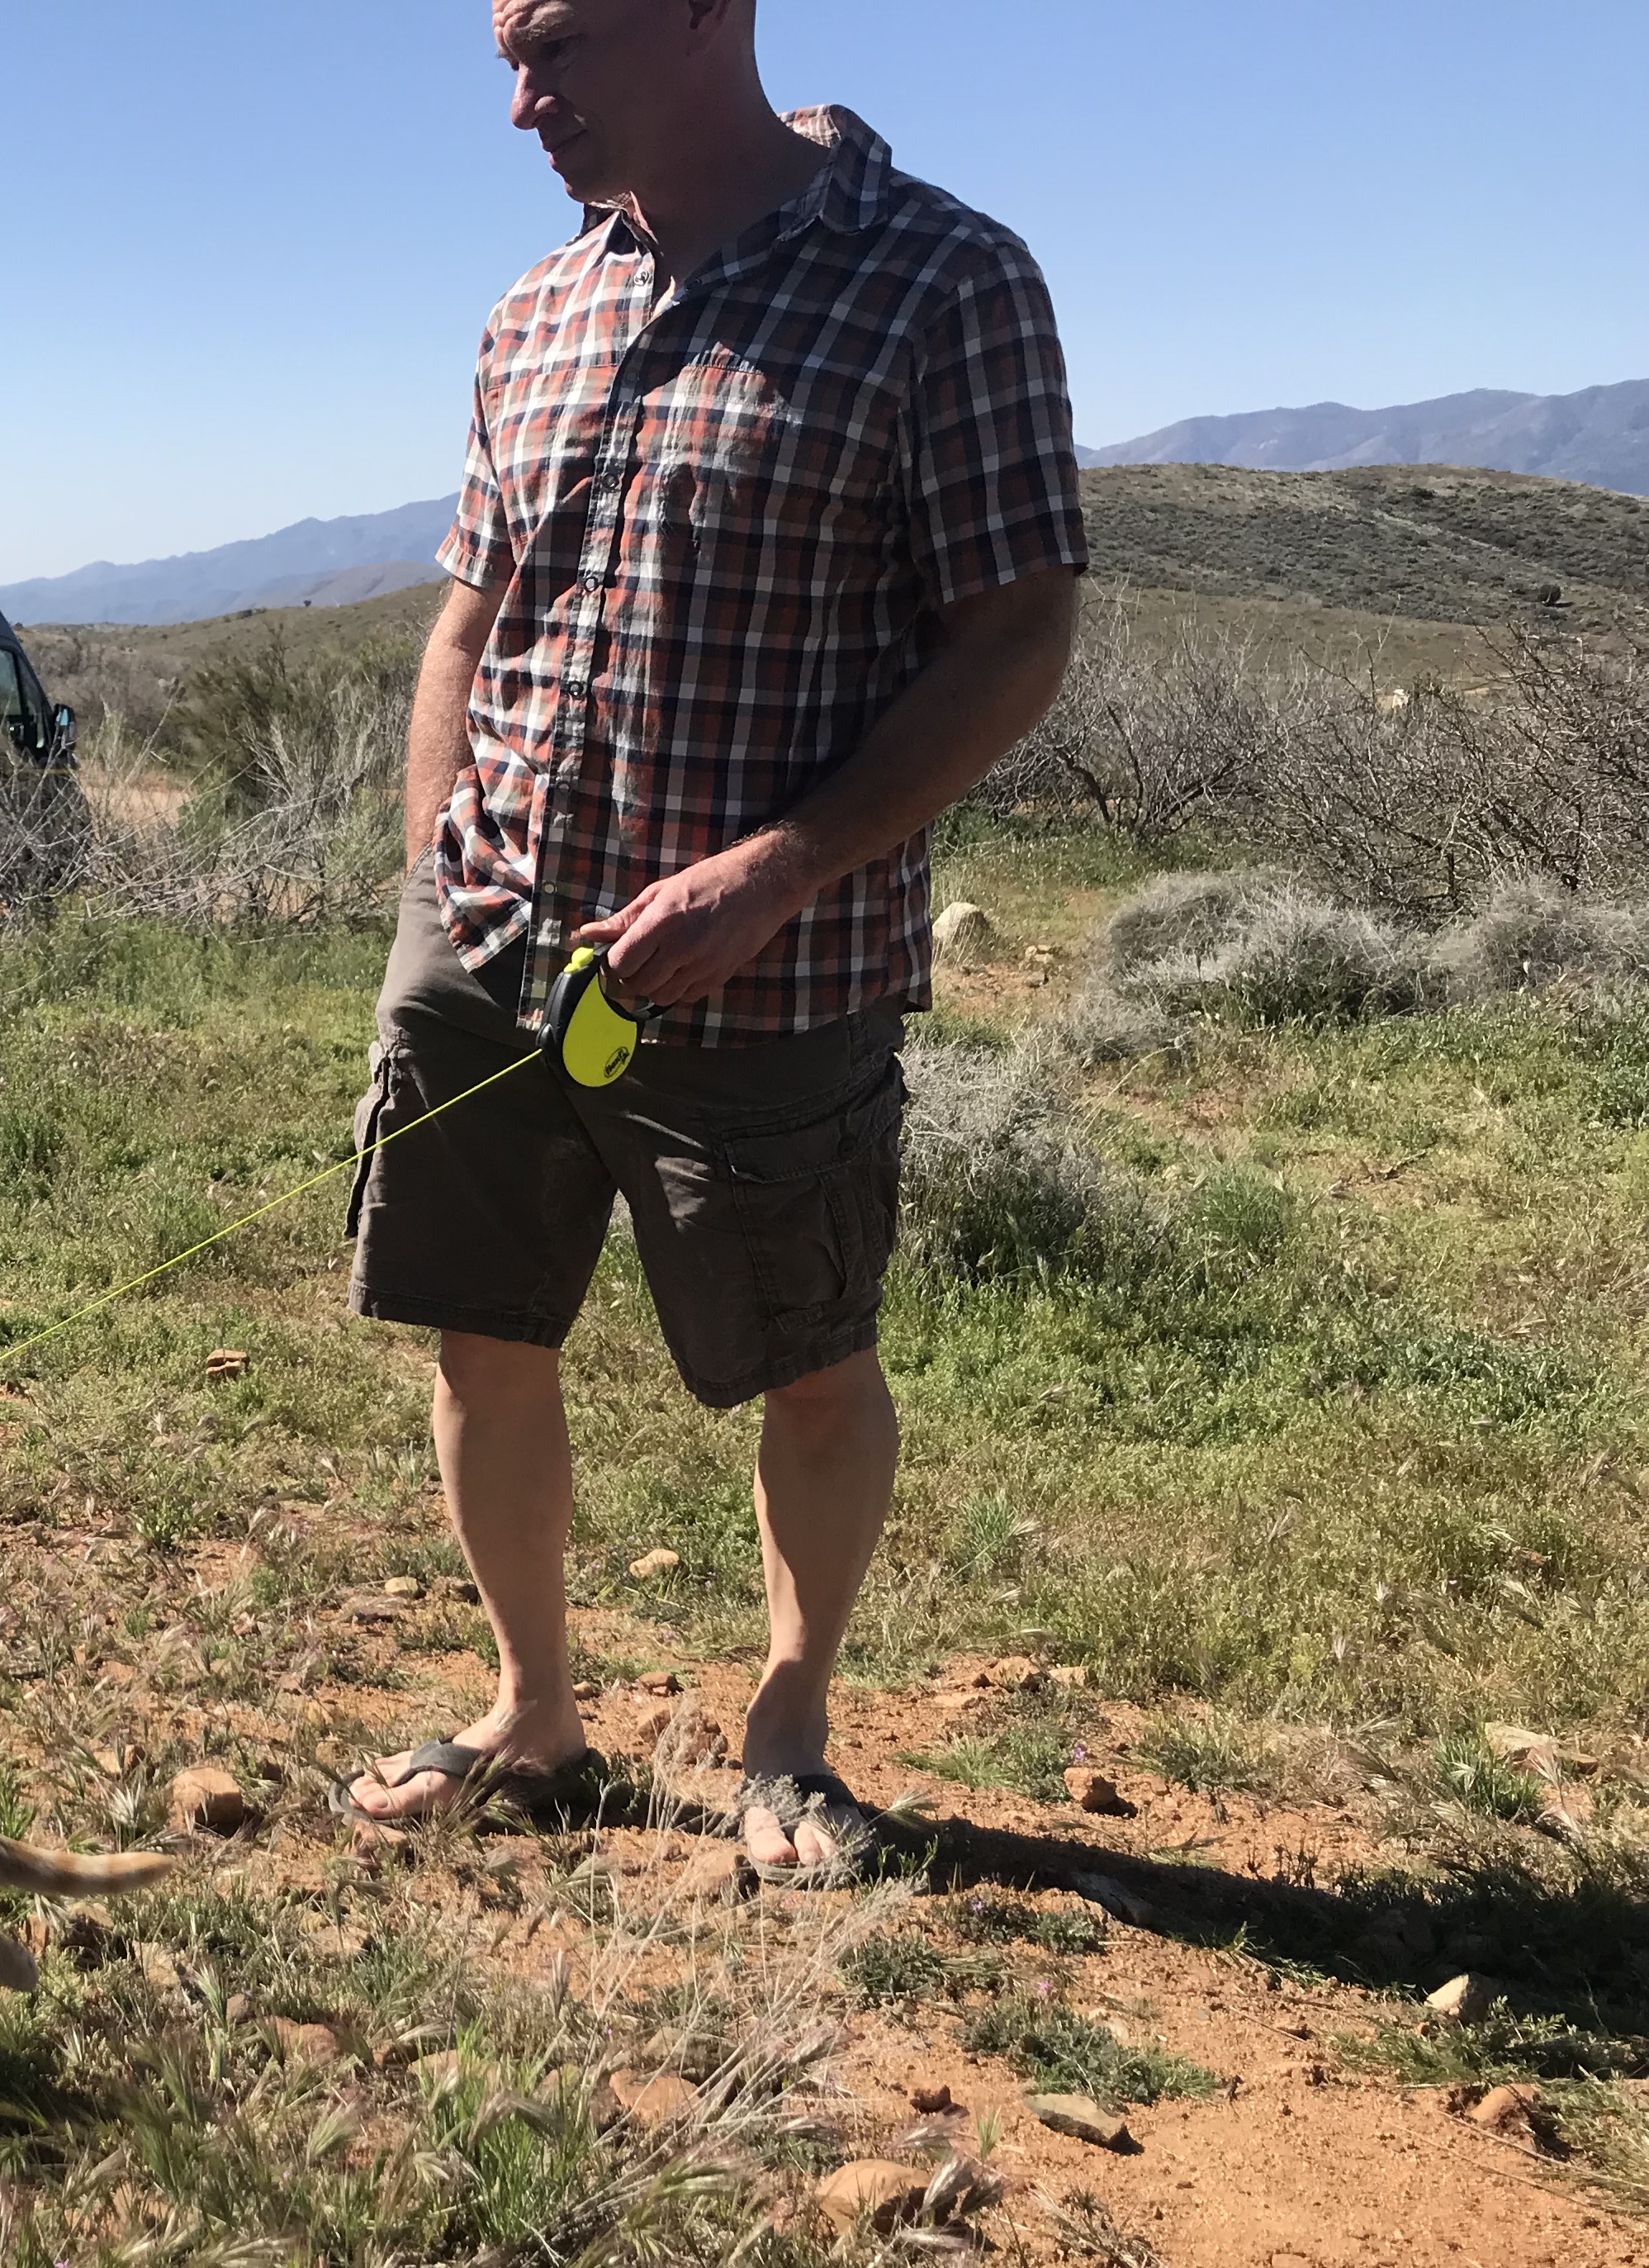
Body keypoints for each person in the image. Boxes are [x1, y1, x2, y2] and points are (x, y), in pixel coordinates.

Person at [343, 0, 1085, 1872]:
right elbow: (464, 620)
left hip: (778, 972)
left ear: (706, 12)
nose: (525, 104)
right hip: (489, 943)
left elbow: (1014, 637)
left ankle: (790, 1734)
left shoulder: (944, 284)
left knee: (812, 1356)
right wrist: (441, 848)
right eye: (507, 58)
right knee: (479, 1337)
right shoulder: (536, 309)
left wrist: (779, 870)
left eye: (562, 46)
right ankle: (533, 1714)